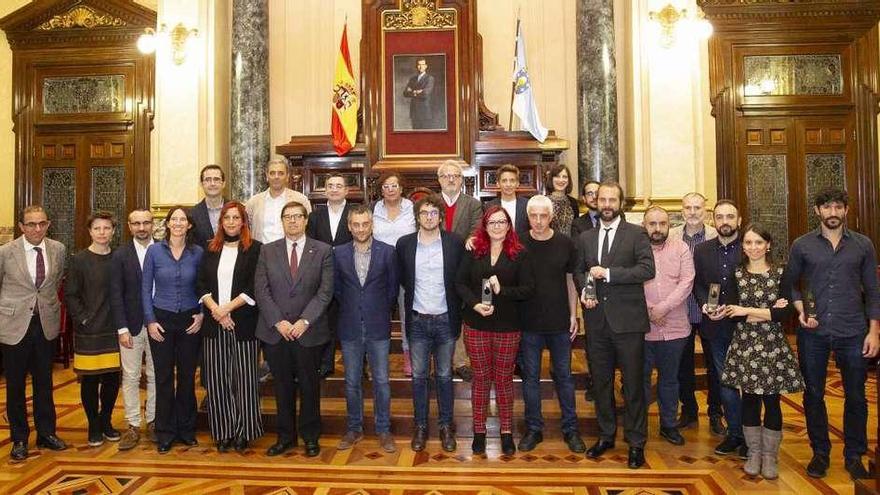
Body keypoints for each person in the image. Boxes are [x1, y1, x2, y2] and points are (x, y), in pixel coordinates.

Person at [785, 187, 880, 480]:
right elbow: (789, 284)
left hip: (853, 331)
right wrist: (800, 310)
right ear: (818, 211)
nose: (833, 213)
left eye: (838, 207)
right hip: (813, 333)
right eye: (827, 208)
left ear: (846, 210)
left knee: (856, 397)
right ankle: (820, 453)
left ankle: (854, 456)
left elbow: (874, 292)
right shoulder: (802, 245)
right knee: (813, 395)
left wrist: (874, 332)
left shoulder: (863, 245)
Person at [574, 182, 654, 469]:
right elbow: (580, 270)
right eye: (601, 199)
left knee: (633, 386)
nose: (606, 204)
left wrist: (608, 273)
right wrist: (585, 289)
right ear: (594, 202)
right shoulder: (585, 237)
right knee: (602, 384)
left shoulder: (637, 234)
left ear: (621, 203)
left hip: (629, 324)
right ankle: (606, 435)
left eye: (612, 199)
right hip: (597, 324)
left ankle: (636, 443)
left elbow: (647, 270)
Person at [718, 224, 803, 480]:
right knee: (750, 400)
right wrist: (766, 311)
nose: (753, 248)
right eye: (748, 243)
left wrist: (748, 310)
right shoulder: (736, 274)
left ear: (768, 245)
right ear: (743, 247)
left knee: (772, 401)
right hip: (745, 345)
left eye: (758, 243)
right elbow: (734, 314)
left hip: (773, 347)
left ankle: (770, 456)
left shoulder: (781, 272)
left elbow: (785, 314)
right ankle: (754, 453)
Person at [254, 201, 334, 458]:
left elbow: (325, 292)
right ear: (282, 221)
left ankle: (310, 437)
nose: (292, 221)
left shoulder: (322, 251)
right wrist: (279, 321)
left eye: (297, 217)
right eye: (287, 217)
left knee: (310, 387)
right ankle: (285, 437)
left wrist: (304, 321)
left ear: (306, 220)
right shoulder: (268, 251)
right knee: (282, 387)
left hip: (308, 332)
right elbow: (261, 290)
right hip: (276, 332)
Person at [457, 205, 534, 456]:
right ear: (485, 226)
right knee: (481, 379)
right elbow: (459, 282)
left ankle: (506, 432)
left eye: (502, 222)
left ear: (509, 226)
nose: (497, 227)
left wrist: (504, 291)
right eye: (492, 222)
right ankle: (479, 432)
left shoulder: (520, 253)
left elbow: (528, 290)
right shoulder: (473, 250)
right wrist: (474, 304)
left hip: (507, 326)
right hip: (476, 323)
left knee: (503, 380)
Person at [397, 195, 465, 453]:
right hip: (417, 321)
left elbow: (460, 278)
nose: (428, 217)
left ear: (440, 217)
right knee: (419, 377)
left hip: (446, 320)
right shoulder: (404, 245)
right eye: (424, 213)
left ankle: (446, 426)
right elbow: (404, 280)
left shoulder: (454, 243)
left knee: (445, 375)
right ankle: (421, 426)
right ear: (417, 217)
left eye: (433, 213)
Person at [518, 195, 585, 454]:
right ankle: (534, 429)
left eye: (543, 216)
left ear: (551, 217)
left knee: (565, 378)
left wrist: (573, 314)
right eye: (533, 216)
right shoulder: (519, 243)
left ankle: (571, 429)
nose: (538, 221)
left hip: (559, 322)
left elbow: (571, 280)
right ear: (528, 217)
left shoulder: (565, 243)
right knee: (530, 379)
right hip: (528, 323)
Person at [0, 206, 68, 461]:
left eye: (41, 223)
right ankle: (19, 438)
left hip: (45, 325)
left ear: (48, 224)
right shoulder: (6, 253)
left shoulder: (58, 249)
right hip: (13, 326)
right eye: (31, 224)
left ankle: (46, 433)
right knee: (15, 385)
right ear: (21, 226)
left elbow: (56, 282)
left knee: (44, 383)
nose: (37, 229)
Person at [197, 202, 263, 453]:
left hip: (243, 323)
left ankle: (244, 431)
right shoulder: (210, 248)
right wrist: (216, 310)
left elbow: (253, 286)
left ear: (244, 221)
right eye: (227, 218)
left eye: (236, 217)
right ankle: (223, 431)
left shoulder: (255, 249)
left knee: (245, 380)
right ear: (221, 222)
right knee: (216, 381)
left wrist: (227, 309)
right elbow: (201, 283)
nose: (232, 222)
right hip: (215, 324)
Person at [333, 205, 398, 453]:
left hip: (378, 324)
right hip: (349, 324)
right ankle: (354, 428)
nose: (361, 229)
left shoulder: (387, 252)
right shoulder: (337, 253)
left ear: (372, 225)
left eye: (365, 224)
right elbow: (337, 289)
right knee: (351, 381)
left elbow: (392, 290)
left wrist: (375, 309)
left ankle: (383, 429)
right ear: (349, 226)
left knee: (381, 380)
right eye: (356, 224)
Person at [142, 206, 204, 454]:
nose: (178, 223)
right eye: (174, 219)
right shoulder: (154, 252)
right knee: (164, 378)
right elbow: (145, 289)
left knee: (188, 378)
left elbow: (203, 287)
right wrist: (150, 320)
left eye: (183, 220)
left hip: (190, 320)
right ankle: (165, 432)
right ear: (167, 224)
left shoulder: (198, 253)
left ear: (189, 225)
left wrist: (201, 314)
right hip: (162, 320)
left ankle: (187, 430)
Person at [693, 200, 746, 458]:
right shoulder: (701, 250)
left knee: (748, 382)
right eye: (720, 216)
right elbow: (699, 285)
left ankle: (750, 435)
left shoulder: (750, 247)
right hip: (715, 326)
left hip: (747, 327)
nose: (725, 221)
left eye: (730, 216)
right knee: (726, 381)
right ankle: (735, 433)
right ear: (713, 220)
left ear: (739, 219)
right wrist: (705, 305)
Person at [65, 212, 123, 447]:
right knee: (90, 381)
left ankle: (106, 421)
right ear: (90, 231)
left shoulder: (119, 258)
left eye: (106, 228)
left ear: (113, 231)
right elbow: (70, 294)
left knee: (111, 380)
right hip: (89, 330)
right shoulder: (79, 260)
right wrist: (84, 319)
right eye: (97, 228)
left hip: (114, 329)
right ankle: (93, 425)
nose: (102, 232)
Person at [669, 192, 723, 436]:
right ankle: (688, 410)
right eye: (688, 207)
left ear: (706, 210)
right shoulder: (671, 236)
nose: (692, 212)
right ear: (681, 210)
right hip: (680, 311)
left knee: (715, 365)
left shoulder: (716, 235)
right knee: (683, 365)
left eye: (697, 208)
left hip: (711, 311)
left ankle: (715, 413)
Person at [641, 206, 694, 447]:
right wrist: (650, 311)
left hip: (675, 327)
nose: (657, 228)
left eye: (662, 223)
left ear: (669, 225)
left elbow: (687, 282)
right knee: (639, 379)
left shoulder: (681, 248)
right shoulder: (635, 248)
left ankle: (668, 425)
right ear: (644, 225)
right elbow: (629, 284)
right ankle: (638, 426)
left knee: (670, 380)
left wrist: (662, 308)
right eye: (652, 224)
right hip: (642, 328)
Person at [110, 208, 157, 450]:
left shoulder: (164, 249)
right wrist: (121, 328)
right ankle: (132, 425)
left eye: (146, 223)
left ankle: (153, 420)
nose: (142, 228)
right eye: (136, 223)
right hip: (130, 326)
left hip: (158, 325)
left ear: (153, 224)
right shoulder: (120, 255)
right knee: (130, 376)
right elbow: (115, 294)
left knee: (156, 374)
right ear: (129, 227)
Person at [307, 172, 356, 378]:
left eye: (338, 185)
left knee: (352, 320)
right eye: (330, 185)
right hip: (323, 277)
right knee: (324, 321)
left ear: (346, 190)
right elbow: (309, 245)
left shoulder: (356, 212)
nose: (334, 189)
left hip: (350, 275)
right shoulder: (315, 216)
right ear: (325, 190)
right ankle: (325, 363)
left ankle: (356, 366)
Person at [436, 159, 482, 382]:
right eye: (446, 176)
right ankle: (438, 361)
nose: (451, 179)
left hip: (464, 267)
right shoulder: (431, 203)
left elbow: (476, 230)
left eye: (455, 176)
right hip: (434, 267)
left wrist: (471, 239)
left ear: (462, 180)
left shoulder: (472, 204)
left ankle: (461, 361)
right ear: (439, 180)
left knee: (460, 314)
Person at [372, 171, 416, 375]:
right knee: (379, 316)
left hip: (407, 269)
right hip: (380, 270)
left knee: (408, 315)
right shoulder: (374, 209)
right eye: (386, 186)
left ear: (401, 188)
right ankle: (378, 358)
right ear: (381, 190)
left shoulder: (412, 208)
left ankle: (409, 356)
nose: (390, 190)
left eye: (394, 185)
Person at [246, 158, 312, 244]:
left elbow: (309, 228)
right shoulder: (254, 202)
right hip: (262, 253)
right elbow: (246, 229)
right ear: (267, 176)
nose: (276, 177)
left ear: (287, 176)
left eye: (281, 173)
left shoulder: (300, 200)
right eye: (272, 173)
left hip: (292, 252)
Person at [486, 164, 529, 240]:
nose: (508, 184)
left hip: (523, 248)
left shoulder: (528, 205)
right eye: (504, 181)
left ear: (518, 183)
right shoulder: (489, 206)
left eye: (512, 180)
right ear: (498, 184)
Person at [190, 164, 228, 247]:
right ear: (201, 184)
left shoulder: (236, 209)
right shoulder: (192, 214)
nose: (212, 183)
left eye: (216, 179)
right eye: (208, 180)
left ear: (223, 183)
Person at [544, 165, 579, 236]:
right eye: (557, 176)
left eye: (565, 177)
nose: (561, 180)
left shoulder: (573, 203)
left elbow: (575, 229)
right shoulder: (543, 202)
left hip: (569, 245)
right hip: (548, 245)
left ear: (568, 180)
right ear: (551, 179)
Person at [403, 57, 435, 129]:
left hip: (424, 112)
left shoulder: (430, 78)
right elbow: (405, 93)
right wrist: (417, 91)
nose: (420, 67)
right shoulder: (412, 79)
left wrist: (412, 91)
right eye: (419, 65)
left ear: (426, 66)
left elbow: (425, 94)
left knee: (425, 136)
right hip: (414, 111)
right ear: (416, 66)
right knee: (414, 135)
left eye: (422, 64)